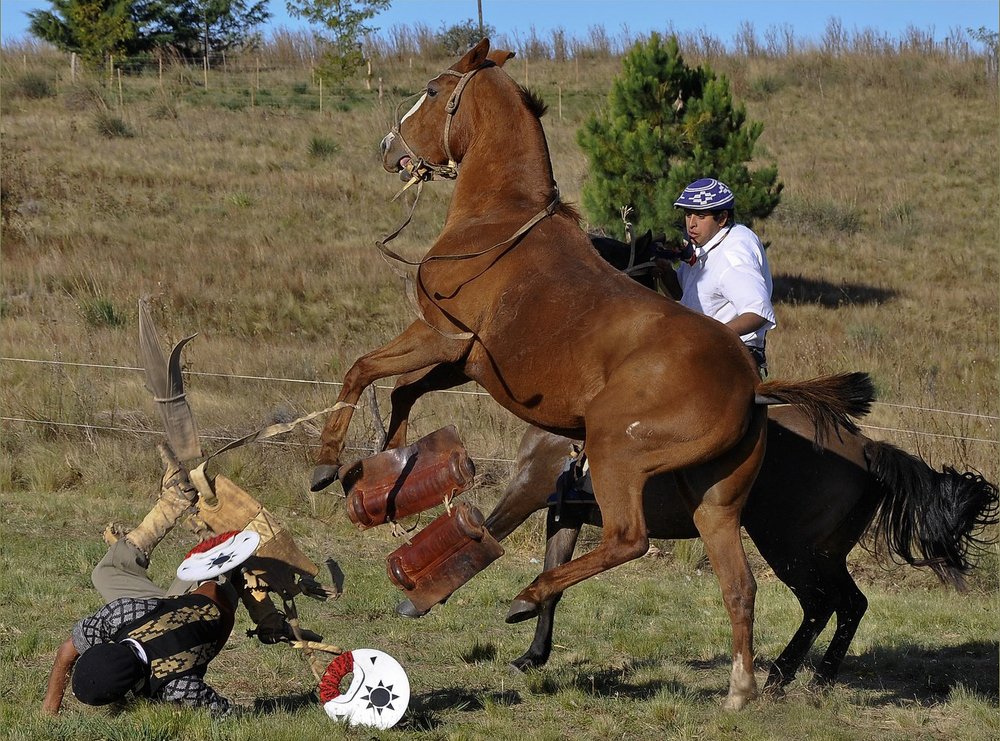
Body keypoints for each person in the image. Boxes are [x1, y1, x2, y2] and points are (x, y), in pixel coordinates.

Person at [42, 444, 314, 718]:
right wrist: (49, 711)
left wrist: (215, 557)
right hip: (162, 610)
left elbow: (227, 714)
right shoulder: (120, 615)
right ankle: (179, 507)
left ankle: (265, 614)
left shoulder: (175, 685)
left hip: (207, 604)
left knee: (220, 571)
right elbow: (67, 651)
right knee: (107, 574)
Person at [653, 177, 776, 377]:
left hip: (731, 359)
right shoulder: (706, 243)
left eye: (701, 216)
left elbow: (758, 312)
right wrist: (664, 269)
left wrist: (710, 336)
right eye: (688, 214)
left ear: (722, 218)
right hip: (703, 350)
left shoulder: (733, 256)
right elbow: (681, 292)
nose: (691, 224)